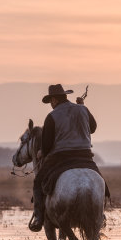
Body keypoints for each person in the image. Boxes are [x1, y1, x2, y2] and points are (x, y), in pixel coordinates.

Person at [29, 84, 99, 232]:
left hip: (61, 157)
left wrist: (42, 151)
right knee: (100, 181)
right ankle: (101, 214)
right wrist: (84, 107)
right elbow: (92, 128)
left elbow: (47, 143)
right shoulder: (82, 109)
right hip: (85, 156)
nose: (51, 105)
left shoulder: (52, 116)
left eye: (50, 102)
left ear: (54, 99)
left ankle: (38, 217)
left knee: (37, 182)